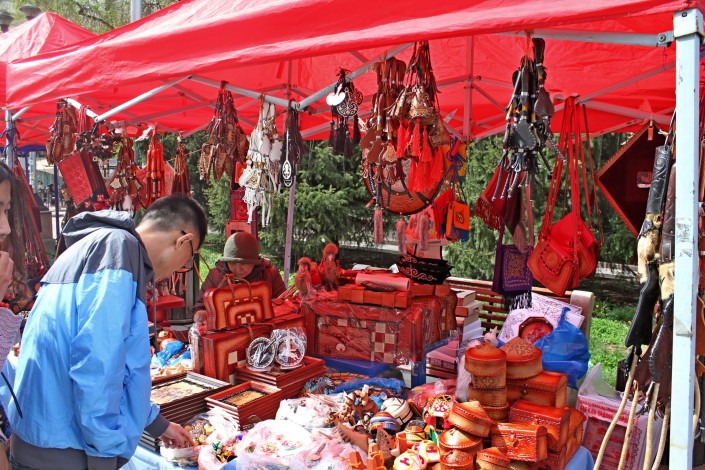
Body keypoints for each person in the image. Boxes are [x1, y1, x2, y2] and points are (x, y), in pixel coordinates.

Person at [8, 195, 208, 470]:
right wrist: (103, 455)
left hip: (45, 440)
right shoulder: (117, 251)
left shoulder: (98, 245)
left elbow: (113, 360)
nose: (180, 268)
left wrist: (156, 423)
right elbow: (98, 364)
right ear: (183, 242)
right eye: (188, 259)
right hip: (63, 450)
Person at [192, 231, 286, 317]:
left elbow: (284, 302)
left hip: (264, 327)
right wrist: (200, 313)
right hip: (226, 329)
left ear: (255, 262)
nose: (238, 269)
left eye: (244, 263)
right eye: (232, 263)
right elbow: (201, 306)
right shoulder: (215, 275)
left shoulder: (269, 274)